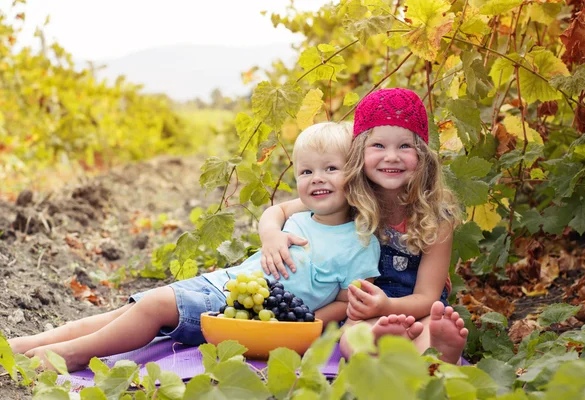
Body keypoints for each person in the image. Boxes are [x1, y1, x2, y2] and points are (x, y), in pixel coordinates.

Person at [8, 122, 381, 372]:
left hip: (238, 314)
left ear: (355, 175)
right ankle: (37, 340)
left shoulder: (360, 242)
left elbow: (349, 302)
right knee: (122, 314)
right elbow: (275, 211)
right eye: (305, 172)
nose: (317, 179)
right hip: (223, 283)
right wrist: (270, 234)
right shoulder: (302, 211)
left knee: (153, 306)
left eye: (331, 169)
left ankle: (72, 354)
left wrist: (302, 322)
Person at [258, 88, 469, 364]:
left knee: (431, 322)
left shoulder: (436, 217)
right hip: (363, 313)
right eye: (378, 146)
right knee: (353, 339)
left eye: (404, 146)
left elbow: (428, 296)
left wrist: (389, 306)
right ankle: (389, 346)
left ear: (423, 155)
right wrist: (272, 234)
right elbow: (280, 209)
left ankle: (437, 350)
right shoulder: (348, 195)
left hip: (418, 307)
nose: (391, 156)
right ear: (359, 152)